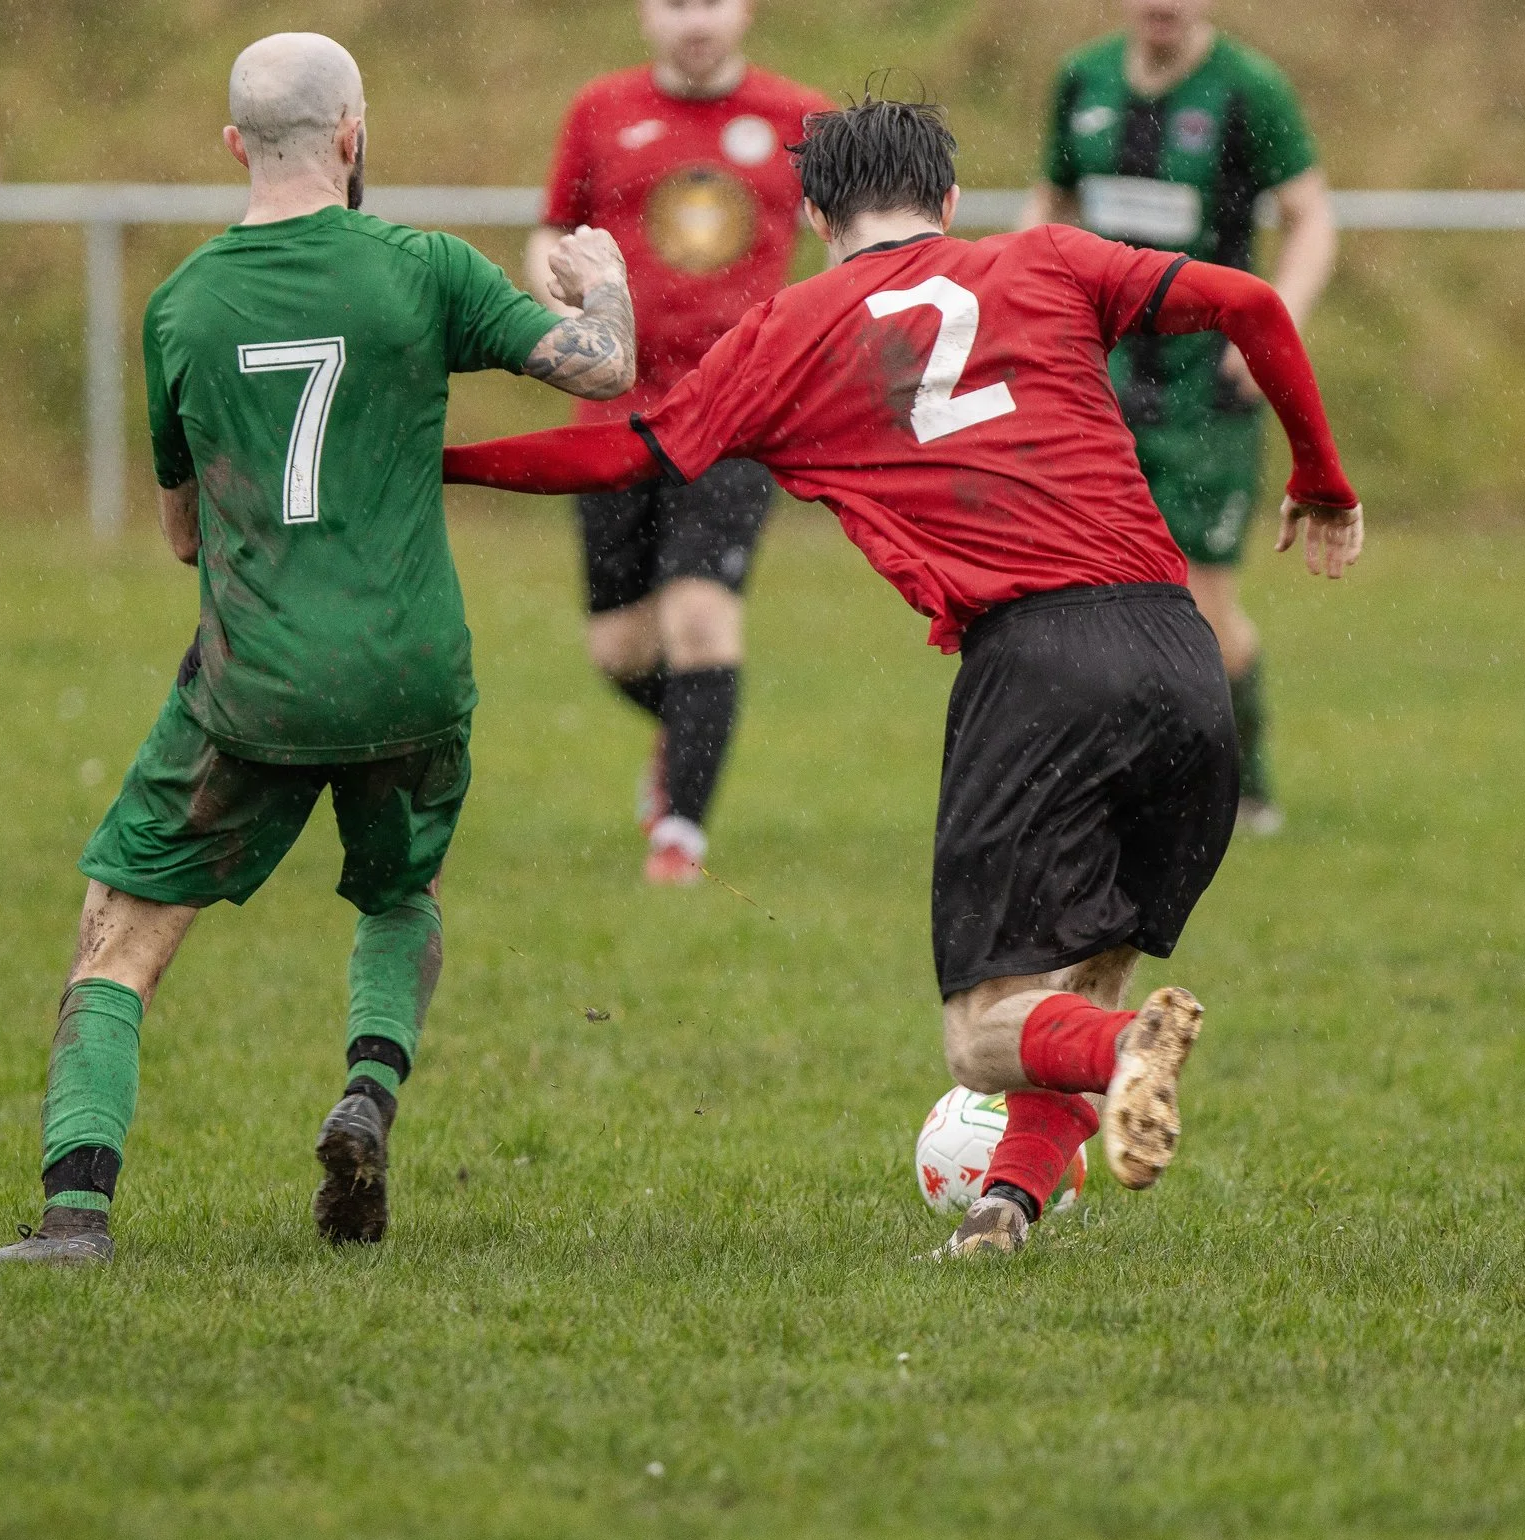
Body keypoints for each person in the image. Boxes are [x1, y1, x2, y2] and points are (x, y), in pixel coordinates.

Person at [444, 97, 1362, 1258]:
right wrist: (1322, 478)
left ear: (817, 215)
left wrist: (438, 460)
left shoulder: (791, 329)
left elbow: (621, 452)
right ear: (948, 203)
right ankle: (1007, 1209)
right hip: (1180, 656)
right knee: (1080, 967)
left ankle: (1122, 1049)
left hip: (1038, 667)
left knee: (987, 1032)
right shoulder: (1042, 258)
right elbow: (1250, 298)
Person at [0, 32, 635, 1267]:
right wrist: (607, 275)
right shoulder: (421, 268)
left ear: (232, 145)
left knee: (121, 936)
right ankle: (366, 1092)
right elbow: (601, 370)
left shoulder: (183, 307)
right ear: (354, 135)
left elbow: (180, 533)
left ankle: (74, 1221)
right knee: (396, 892)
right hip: (414, 670)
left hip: (256, 682)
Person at [523, 0, 832, 885]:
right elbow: (554, 228)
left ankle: (679, 840)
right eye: (675, 1)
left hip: (735, 414)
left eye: (713, 0)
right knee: (620, 649)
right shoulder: (600, 109)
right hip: (614, 414)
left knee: (700, 619)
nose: (695, 19)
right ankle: (689, 733)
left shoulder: (798, 120)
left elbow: (855, 242)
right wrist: (566, 327)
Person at [1022, 0, 1337, 835]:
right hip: (1101, 381)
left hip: (1208, 390)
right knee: (1086, 599)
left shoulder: (1247, 87)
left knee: (1200, 614)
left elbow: (1313, 216)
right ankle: (1119, 787)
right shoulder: (1082, 78)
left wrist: (1278, 326)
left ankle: (1246, 785)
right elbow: (1050, 206)